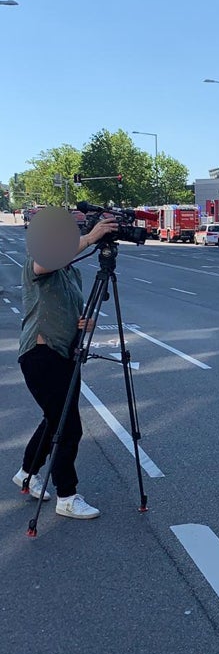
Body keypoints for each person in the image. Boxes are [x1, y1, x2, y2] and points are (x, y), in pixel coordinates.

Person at [13, 212, 118, 519]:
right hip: (40, 355)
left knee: (54, 419)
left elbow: (70, 310)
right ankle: (66, 496)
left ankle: (27, 473)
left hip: (65, 354)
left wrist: (83, 322)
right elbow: (49, 260)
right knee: (68, 427)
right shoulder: (36, 264)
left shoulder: (72, 274)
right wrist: (90, 237)